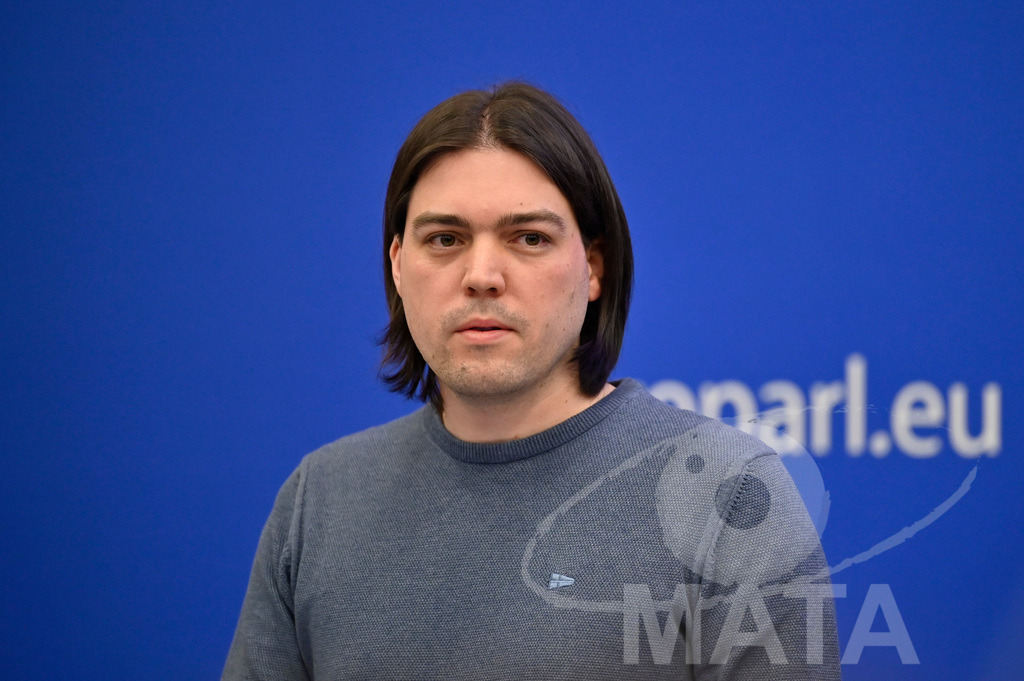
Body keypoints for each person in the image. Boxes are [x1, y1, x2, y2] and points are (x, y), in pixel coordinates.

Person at [223, 82, 841, 680]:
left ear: (593, 268)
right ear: (398, 265)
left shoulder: (729, 499)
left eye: (528, 238)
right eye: (445, 239)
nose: (482, 275)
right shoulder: (317, 503)